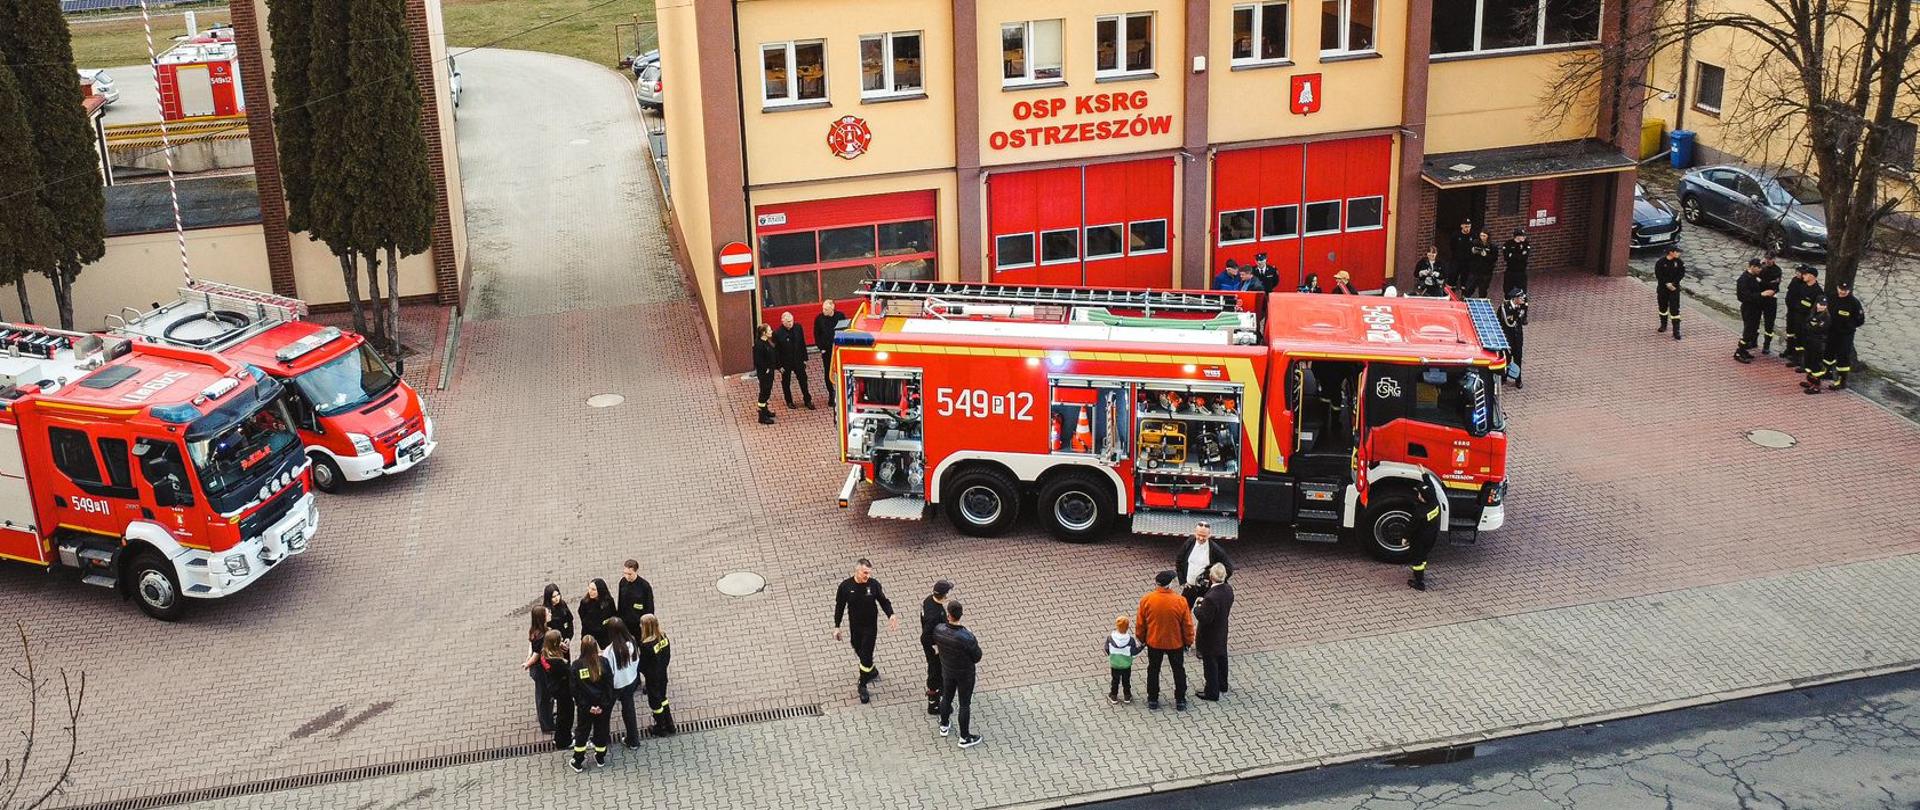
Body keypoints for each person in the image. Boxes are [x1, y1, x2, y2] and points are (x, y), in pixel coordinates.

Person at [833, 558, 898, 704]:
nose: (867, 576)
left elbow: (883, 601)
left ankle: (862, 685)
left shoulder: (873, 585)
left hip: (870, 627)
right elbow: (840, 607)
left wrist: (891, 614)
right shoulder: (845, 587)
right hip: (855, 627)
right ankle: (872, 670)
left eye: (869, 573)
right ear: (856, 571)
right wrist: (837, 626)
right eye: (864, 573)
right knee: (859, 650)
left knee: (865, 655)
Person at [1134, 570, 1195, 711]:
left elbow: (1141, 624)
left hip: (1154, 641)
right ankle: (1180, 700)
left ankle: (1153, 699)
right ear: (1170, 584)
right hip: (1175, 643)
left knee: (1153, 670)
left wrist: (1142, 639)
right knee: (1178, 670)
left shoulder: (1147, 600)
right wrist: (1188, 642)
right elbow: (1187, 625)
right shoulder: (1180, 601)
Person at [932, 600, 984, 748]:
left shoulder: (939, 630)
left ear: (948, 615)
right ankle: (964, 737)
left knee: (947, 697)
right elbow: (977, 656)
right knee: (964, 704)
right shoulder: (966, 637)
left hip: (947, 671)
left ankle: (944, 725)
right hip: (965, 675)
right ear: (960, 615)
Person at [569, 636, 614, 772]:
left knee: (582, 732)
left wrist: (588, 707)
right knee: (601, 730)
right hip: (602, 707)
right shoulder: (603, 663)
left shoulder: (577, 666)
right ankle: (600, 757)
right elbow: (609, 686)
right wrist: (603, 705)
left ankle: (578, 760)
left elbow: (574, 690)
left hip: (585, 708)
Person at [1193, 563, 1234, 701]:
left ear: (1211, 577)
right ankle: (1223, 684)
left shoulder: (1211, 597)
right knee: (1222, 657)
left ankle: (1211, 691)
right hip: (1222, 629)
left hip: (1210, 635)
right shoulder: (1228, 589)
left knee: (1210, 662)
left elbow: (1204, 617)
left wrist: (1198, 606)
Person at [600, 618, 642, 748]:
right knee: (629, 709)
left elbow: (608, 671)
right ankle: (633, 740)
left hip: (616, 685)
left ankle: (603, 738)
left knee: (606, 711)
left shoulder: (610, 652)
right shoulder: (632, 643)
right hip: (630, 681)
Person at [1173, 521, 1234, 607]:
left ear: (1209, 535)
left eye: (1204, 536)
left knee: (1205, 615)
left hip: (1206, 590)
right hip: (1189, 586)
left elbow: (1229, 568)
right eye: (1198, 535)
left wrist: (1215, 581)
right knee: (1183, 610)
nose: (1201, 538)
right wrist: (1182, 580)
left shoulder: (1216, 550)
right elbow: (1179, 560)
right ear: (1195, 533)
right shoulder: (1190, 542)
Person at [919, 580, 954, 713]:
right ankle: (933, 704)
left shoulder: (928, 600)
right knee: (935, 672)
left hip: (935, 645)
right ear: (944, 595)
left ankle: (939, 696)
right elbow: (924, 637)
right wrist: (935, 648)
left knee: (938, 671)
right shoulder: (935, 614)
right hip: (934, 649)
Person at [536, 630, 574, 751]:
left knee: (562, 713)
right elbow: (569, 670)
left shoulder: (545, 654)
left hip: (555, 687)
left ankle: (561, 736)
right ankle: (564, 740)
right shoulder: (557, 662)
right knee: (566, 715)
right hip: (563, 690)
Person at [638, 613, 674, 736]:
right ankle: (670, 724)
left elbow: (643, 664)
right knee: (663, 697)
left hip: (652, 677)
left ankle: (661, 727)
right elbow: (667, 656)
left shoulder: (646, 645)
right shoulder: (663, 638)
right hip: (662, 674)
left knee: (655, 702)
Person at [1825, 282, 1866, 389]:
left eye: (1845, 290)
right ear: (1837, 288)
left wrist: (1848, 326)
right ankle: (1826, 372)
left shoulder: (1854, 303)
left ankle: (1842, 380)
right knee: (1828, 353)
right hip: (1831, 331)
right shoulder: (1832, 298)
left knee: (1842, 356)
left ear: (1849, 290)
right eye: (1841, 289)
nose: (1842, 291)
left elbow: (1860, 320)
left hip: (1845, 335)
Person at [524, 606, 559, 733]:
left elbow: (531, 648)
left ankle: (548, 717)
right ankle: (547, 725)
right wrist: (528, 663)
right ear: (542, 617)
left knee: (546, 695)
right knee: (544, 697)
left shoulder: (535, 631)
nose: (550, 613)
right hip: (541, 670)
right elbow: (536, 654)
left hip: (540, 669)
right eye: (547, 613)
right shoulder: (541, 636)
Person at [1405, 485, 1446, 590]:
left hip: (1420, 540)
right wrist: (1425, 476)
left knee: (1417, 560)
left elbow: (1411, 527)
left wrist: (1405, 537)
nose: (1418, 495)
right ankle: (1421, 573)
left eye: (1419, 494)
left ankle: (1419, 583)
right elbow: (1431, 487)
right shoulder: (1435, 503)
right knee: (1423, 557)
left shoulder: (1419, 513)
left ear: (1423, 498)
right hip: (1431, 537)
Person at [773, 311, 814, 410]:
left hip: (798, 360)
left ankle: (807, 400)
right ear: (782, 321)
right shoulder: (777, 333)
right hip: (785, 362)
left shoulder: (798, 328)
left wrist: (805, 359)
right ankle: (789, 401)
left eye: (791, 320)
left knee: (803, 380)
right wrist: (778, 366)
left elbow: (802, 344)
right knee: (786, 382)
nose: (790, 323)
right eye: (787, 321)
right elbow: (776, 351)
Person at [1782, 265, 1820, 369]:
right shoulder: (1803, 287)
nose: (1804, 275)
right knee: (1797, 338)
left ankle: (1804, 363)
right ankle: (1796, 359)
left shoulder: (1817, 291)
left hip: (1806, 320)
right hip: (1797, 317)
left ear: (1812, 276)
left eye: (1806, 274)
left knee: (1805, 341)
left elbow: (1816, 309)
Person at [1799, 296, 1833, 395]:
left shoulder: (1826, 317)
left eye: (1824, 305)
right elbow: (1806, 324)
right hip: (1809, 341)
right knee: (1808, 362)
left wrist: (1810, 326)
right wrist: (1810, 327)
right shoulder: (1813, 312)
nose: (1822, 307)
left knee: (1816, 364)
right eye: (1820, 304)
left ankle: (1816, 386)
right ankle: (1810, 381)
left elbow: (1818, 329)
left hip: (1818, 343)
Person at [1734, 258, 1766, 363]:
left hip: (1756, 308)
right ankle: (1739, 351)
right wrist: (1761, 295)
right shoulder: (1744, 279)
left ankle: (1744, 350)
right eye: (1758, 268)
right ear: (1752, 267)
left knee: (1753, 330)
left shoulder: (1754, 277)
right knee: (1748, 331)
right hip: (1749, 309)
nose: (1760, 270)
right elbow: (1743, 296)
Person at [814, 299, 842, 407]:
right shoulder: (819, 319)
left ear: (832, 308)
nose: (824, 311)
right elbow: (816, 334)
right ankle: (831, 393)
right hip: (827, 351)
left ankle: (840, 390)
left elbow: (845, 330)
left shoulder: (840, 316)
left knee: (839, 369)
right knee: (827, 372)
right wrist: (821, 348)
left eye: (826, 309)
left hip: (838, 349)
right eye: (823, 309)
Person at [616, 560, 655, 637]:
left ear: (636, 571)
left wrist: (646, 625)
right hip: (626, 623)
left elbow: (650, 608)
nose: (627, 576)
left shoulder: (645, 587)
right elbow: (620, 602)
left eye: (629, 574)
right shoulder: (622, 582)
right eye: (625, 573)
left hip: (639, 625)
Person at [1498, 290, 1528, 389]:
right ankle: (1504, 377)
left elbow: (1522, 319)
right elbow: (1508, 322)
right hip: (1507, 337)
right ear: (1514, 299)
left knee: (1518, 358)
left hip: (1517, 337)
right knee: (1506, 357)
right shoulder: (1504, 308)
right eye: (1520, 297)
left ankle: (1518, 379)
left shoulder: (1523, 305)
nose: (1523, 299)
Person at [1654, 247, 1685, 339]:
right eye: (1677, 252)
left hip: (1674, 289)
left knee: (1675, 310)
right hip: (1663, 288)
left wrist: (1673, 284)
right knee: (1663, 307)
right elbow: (1658, 275)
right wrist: (1667, 283)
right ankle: (1663, 325)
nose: (1679, 254)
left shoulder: (1679, 262)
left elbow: (1681, 274)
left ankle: (1676, 331)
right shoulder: (1660, 262)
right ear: (1671, 252)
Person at [578, 578, 615, 648]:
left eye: (593, 589)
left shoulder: (609, 601)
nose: (590, 591)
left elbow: (613, 615)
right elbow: (583, 618)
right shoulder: (585, 603)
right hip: (590, 633)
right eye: (589, 588)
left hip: (605, 634)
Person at [753, 324, 778, 425]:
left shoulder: (767, 342)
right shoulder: (759, 345)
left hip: (769, 372)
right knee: (764, 393)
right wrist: (766, 369)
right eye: (769, 330)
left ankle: (765, 410)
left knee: (767, 392)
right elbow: (758, 361)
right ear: (764, 333)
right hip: (765, 374)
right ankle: (762, 416)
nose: (771, 331)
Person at [1758, 254, 1783, 355]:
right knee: (1755, 320)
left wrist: (1762, 281)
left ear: (1774, 259)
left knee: (1769, 323)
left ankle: (1766, 344)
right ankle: (1753, 341)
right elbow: (1756, 281)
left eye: (1770, 259)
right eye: (1767, 258)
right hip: (1759, 297)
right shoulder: (1761, 267)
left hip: (1771, 299)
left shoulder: (1777, 271)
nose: (1768, 261)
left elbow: (1774, 285)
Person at [1465, 231, 1496, 298]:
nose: (1482, 237)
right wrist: (1472, 252)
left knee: (1483, 290)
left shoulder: (1492, 246)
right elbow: (1468, 255)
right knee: (1469, 288)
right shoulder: (1475, 243)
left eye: (1484, 236)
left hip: (1486, 272)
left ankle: (1482, 301)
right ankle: (1465, 299)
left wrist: (1486, 255)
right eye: (1481, 235)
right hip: (1475, 270)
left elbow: (1494, 259)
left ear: (1488, 236)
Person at [1447, 219, 1476, 288]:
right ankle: (1451, 293)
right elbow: (1452, 246)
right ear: (1461, 226)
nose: (1467, 228)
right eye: (1466, 226)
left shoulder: (1473, 235)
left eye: (1469, 226)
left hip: (1467, 261)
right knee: (1453, 276)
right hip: (1456, 260)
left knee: (1465, 279)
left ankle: (1463, 295)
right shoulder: (1456, 235)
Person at [1501, 229, 1531, 294]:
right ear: (1517, 236)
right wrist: (1519, 255)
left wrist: (1513, 255)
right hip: (1510, 271)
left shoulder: (1525, 244)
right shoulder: (1508, 244)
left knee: (1522, 290)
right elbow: (1506, 257)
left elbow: (1524, 257)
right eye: (1523, 236)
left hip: (1521, 271)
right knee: (1507, 289)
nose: (1524, 237)